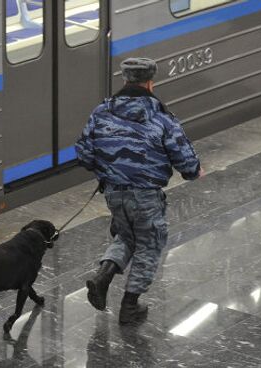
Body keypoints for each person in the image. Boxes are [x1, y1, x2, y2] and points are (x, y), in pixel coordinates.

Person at [75, 57, 203, 324]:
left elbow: (84, 153)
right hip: (145, 195)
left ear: (124, 80)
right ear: (150, 83)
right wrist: (193, 172)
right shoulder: (161, 117)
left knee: (127, 235)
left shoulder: (101, 111)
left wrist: (107, 171)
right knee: (149, 243)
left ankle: (102, 277)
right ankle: (130, 306)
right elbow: (184, 158)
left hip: (113, 192)